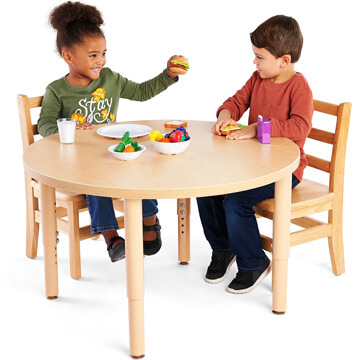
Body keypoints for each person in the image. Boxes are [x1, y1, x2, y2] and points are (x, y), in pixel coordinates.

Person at [38, 1, 186, 262]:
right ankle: (112, 238)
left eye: (103, 53)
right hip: (78, 163)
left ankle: (149, 219)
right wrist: (69, 126)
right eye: (93, 55)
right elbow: (45, 124)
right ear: (68, 56)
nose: (101, 61)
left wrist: (167, 75)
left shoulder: (111, 79)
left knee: (143, 162)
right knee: (96, 186)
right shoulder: (57, 90)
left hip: (112, 154)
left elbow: (141, 92)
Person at [196, 15, 313, 294]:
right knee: (205, 190)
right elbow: (236, 101)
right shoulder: (258, 78)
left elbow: (300, 127)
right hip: (249, 166)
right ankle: (223, 249)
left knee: (236, 203)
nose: (254, 63)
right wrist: (226, 114)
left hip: (285, 172)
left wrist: (255, 129)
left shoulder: (299, 87)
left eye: (259, 57)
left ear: (284, 60)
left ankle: (253, 262)